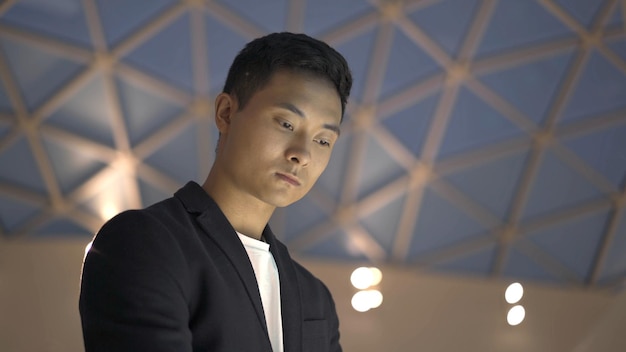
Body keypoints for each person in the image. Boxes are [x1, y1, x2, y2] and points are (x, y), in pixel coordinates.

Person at [79, 32, 352, 352]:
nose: (302, 154)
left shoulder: (314, 296)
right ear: (225, 113)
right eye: (286, 124)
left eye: (323, 140)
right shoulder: (143, 242)